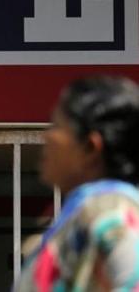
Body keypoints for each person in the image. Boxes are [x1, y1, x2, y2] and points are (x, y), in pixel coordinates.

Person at [13, 76, 139, 291]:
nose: (47, 136)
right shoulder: (90, 214)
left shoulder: (112, 216)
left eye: (57, 126)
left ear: (90, 147)